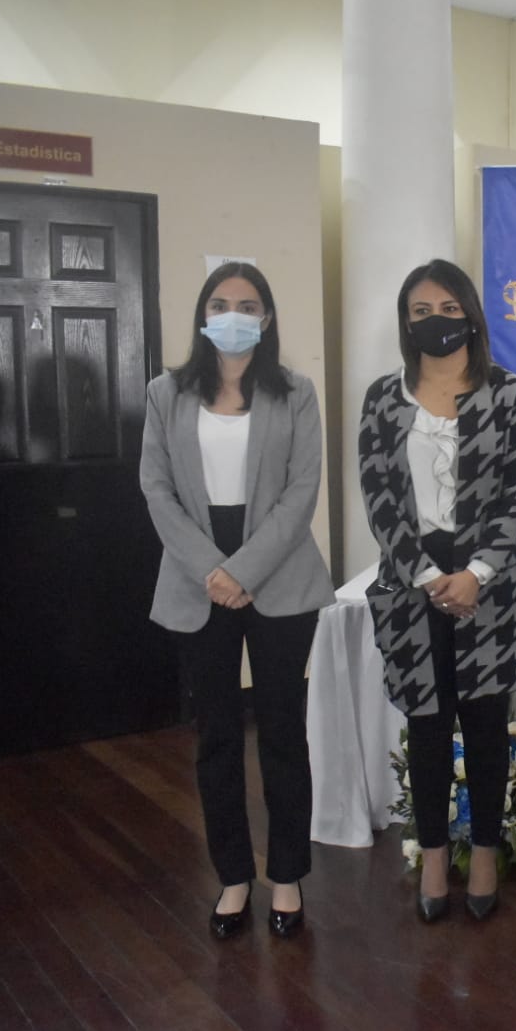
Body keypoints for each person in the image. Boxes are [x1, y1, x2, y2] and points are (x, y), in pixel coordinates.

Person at [141, 261, 334, 939]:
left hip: (279, 571)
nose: (233, 315)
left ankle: (286, 875)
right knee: (217, 736)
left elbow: (302, 490)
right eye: (220, 303)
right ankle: (231, 876)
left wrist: (244, 569)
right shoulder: (166, 393)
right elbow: (156, 488)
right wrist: (213, 570)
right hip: (197, 575)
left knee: (282, 731)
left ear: (266, 317)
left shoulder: (295, 392)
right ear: (202, 315)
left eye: (248, 305)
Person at [358, 259, 516, 924]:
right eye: (420, 311)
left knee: (487, 725)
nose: (436, 320)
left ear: (470, 315)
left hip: (487, 584)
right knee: (427, 727)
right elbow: (378, 495)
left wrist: (475, 573)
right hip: (413, 585)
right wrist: (429, 576)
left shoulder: (508, 393)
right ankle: (433, 855)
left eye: (448, 308)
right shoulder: (384, 397)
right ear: (406, 323)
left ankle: (485, 853)